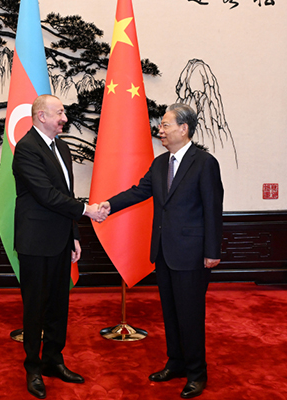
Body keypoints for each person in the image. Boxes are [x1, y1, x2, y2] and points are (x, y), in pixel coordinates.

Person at [99, 103, 223, 399]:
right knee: (170, 312)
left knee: (190, 315)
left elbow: (213, 208)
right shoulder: (159, 163)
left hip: (192, 255)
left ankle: (196, 372)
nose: (161, 130)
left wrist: (212, 251)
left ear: (184, 128)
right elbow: (139, 191)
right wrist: (107, 205)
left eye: (166, 125)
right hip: (164, 253)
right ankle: (175, 363)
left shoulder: (204, 163)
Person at [12, 94, 107, 399]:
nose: (65, 118)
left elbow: (66, 194)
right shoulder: (27, 148)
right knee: (35, 308)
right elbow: (46, 195)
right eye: (60, 113)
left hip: (60, 240)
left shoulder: (61, 147)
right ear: (41, 116)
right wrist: (88, 211)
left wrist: (74, 234)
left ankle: (53, 360)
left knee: (58, 306)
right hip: (35, 242)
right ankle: (33, 368)